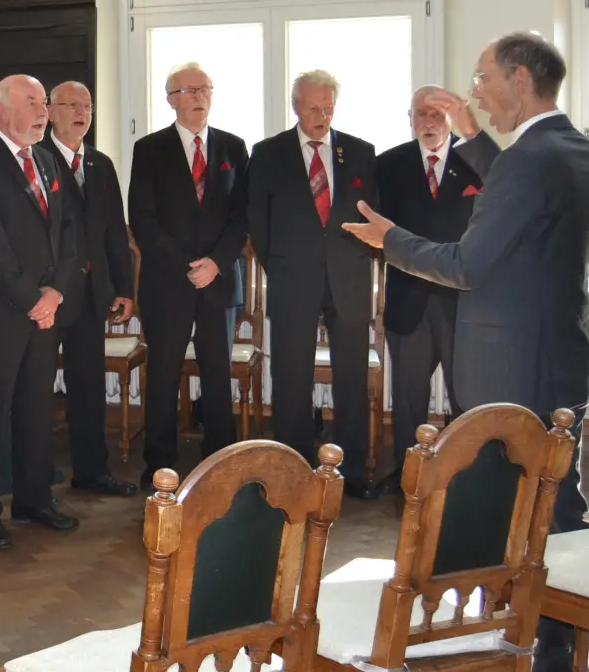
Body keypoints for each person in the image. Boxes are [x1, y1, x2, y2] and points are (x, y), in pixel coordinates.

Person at [343, 32, 589, 672]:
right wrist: (471, 136)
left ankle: (529, 660)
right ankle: (554, 656)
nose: (477, 90)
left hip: (512, 369)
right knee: (557, 505)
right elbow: (527, 194)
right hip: (559, 358)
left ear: (520, 78)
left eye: (484, 77)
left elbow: (466, 265)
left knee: (520, 515)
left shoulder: (528, 163)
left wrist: (390, 241)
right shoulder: (576, 151)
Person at [0, 74, 81, 550]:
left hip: (44, 309)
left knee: (35, 407)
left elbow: (69, 234)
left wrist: (55, 295)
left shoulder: (46, 160)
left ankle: (34, 498)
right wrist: (34, 300)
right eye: (32, 103)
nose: (43, 111)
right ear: (2, 111)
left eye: (44, 102)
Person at [247, 69, 381, 498]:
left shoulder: (360, 152)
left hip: (349, 279)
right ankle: (293, 468)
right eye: (313, 108)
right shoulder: (268, 153)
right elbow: (258, 224)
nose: (322, 115)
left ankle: (353, 470)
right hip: (292, 278)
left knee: (351, 378)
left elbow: (371, 218)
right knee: (290, 375)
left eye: (328, 107)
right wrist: (282, 266)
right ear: (296, 107)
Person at [127, 64, 250, 485]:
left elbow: (242, 217)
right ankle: (159, 461)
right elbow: (142, 220)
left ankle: (219, 459)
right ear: (171, 98)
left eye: (205, 89)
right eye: (190, 89)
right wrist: (186, 265)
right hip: (168, 282)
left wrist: (215, 262)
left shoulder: (234, 148)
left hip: (219, 280)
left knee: (218, 372)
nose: (199, 96)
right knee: (163, 372)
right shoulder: (149, 149)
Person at [372, 84, 485, 485]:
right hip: (409, 300)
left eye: (438, 114)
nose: (430, 122)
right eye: (422, 114)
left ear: (451, 119)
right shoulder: (387, 166)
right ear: (410, 119)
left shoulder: (476, 164)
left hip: (463, 303)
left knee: (465, 397)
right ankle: (409, 476)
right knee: (407, 398)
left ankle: (464, 477)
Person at [37, 81, 137, 496]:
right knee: (37, 388)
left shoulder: (100, 164)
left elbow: (115, 231)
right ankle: (35, 474)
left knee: (89, 387)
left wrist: (124, 288)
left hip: (94, 295)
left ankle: (92, 471)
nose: (82, 113)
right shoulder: (37, 160)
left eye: (88, 106)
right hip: (49, 295)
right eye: (72, 105)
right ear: (51, 111)